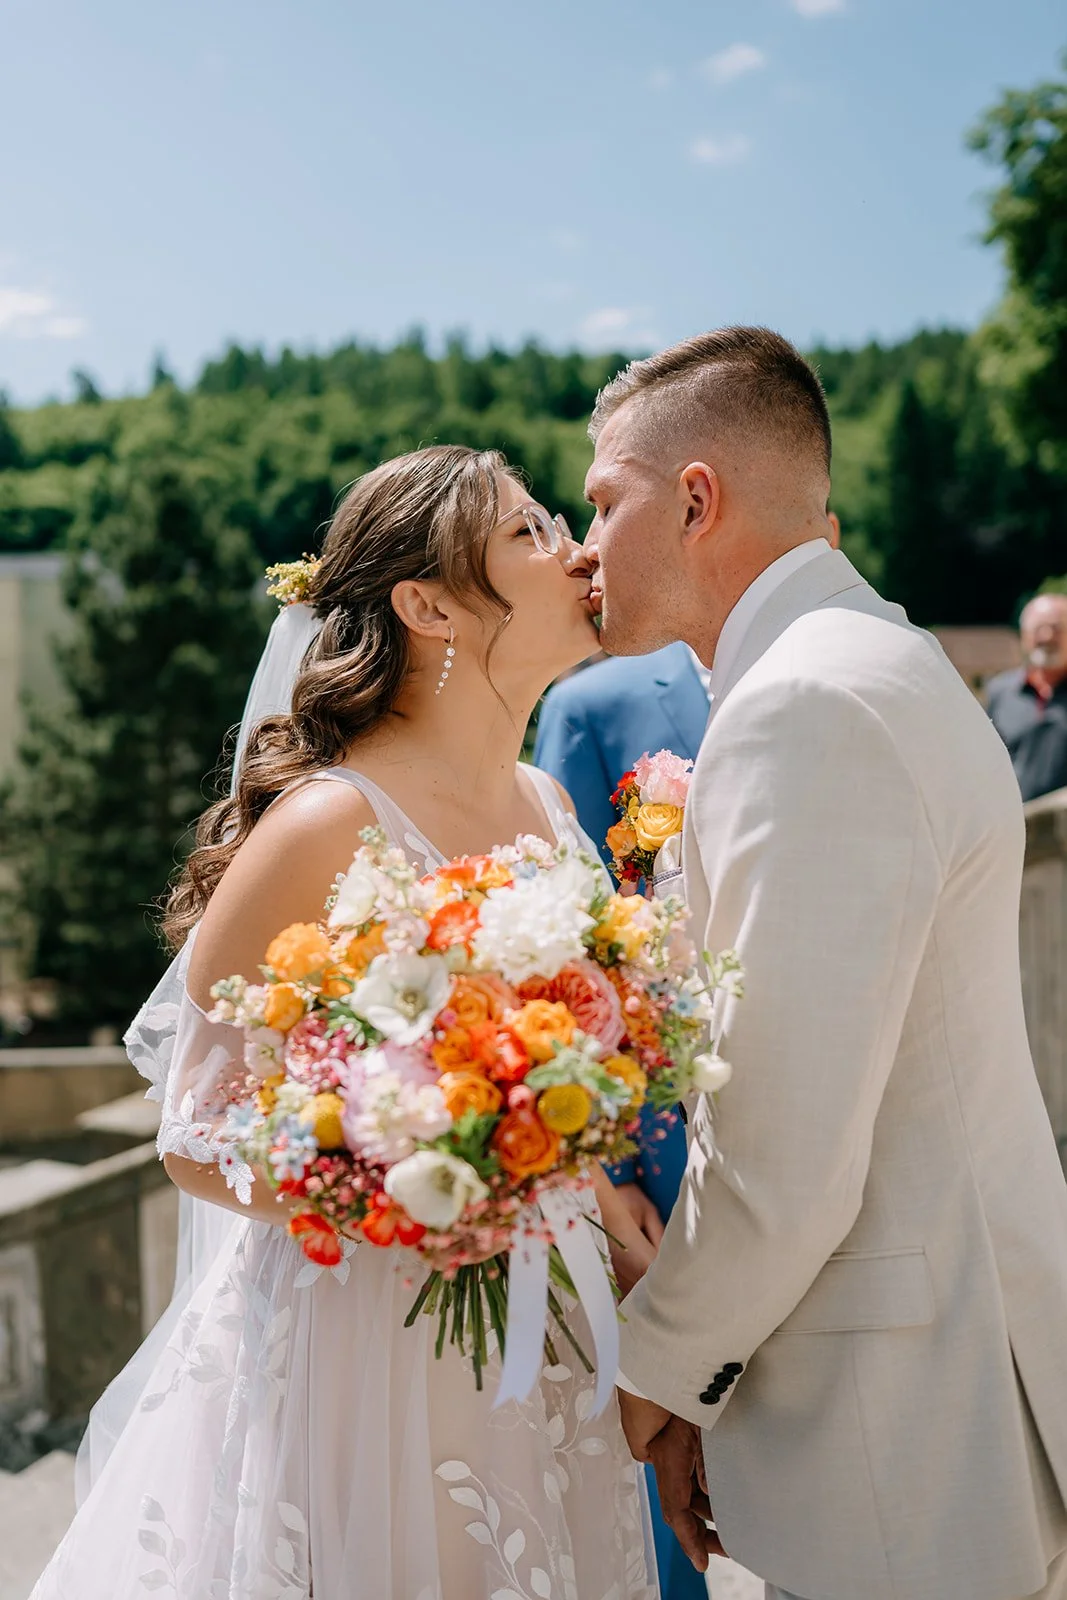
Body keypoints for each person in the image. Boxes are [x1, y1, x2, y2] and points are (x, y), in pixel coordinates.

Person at [31, 446, 660, 1600]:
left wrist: (594, 1192)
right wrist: (419, 1172)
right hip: (369, 1344)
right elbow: (196, 1132)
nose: (575, 550)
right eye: (528, 530)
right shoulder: (327, 825)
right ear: (428, 606)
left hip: (545, 1332)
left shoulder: (547, 805)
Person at [584, 327, 1067, 1600]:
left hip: (898, 1429)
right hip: (929, 1384)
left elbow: (781, 1153)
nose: (583, 547)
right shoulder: (875, 656)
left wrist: (650, 1379)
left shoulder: (803, 706)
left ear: (695, 500)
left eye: (603, 501)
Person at [987, 592, 1067, 801]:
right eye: (1039, 628)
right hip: (1014, 816)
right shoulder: (1000, 692)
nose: (1047, 636)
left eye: (1057, 628)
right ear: (1024, 636)